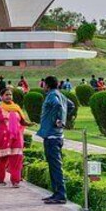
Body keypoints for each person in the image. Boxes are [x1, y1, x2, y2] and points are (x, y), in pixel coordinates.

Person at [0, 87, 32, 187]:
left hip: (17, 137)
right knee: (2, 159)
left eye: (10, 95)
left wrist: (29, 124)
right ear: (2, 96)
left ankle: (15, 180)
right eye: (6, 95)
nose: (9, 97)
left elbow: (22, 121)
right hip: (2, 138)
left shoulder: (17, 108)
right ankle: (1, 178)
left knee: (17, 158)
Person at [38, 76, 68, 204]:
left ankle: (60, 194)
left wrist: (58, 119)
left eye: (44, 84)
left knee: (55, 166)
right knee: (54, 166)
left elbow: (57, 105)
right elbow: (70, 106)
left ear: (48, 85)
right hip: (56, 135)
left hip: (52, 135)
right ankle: (56, 193)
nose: (43, 86)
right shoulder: (60, 94)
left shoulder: (52, 95)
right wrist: (63, 120)